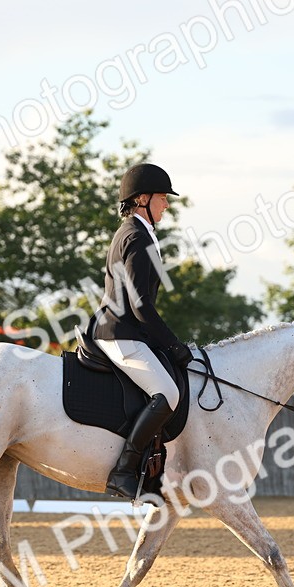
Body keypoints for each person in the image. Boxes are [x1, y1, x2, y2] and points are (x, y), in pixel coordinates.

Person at [90, 163, 193, 498]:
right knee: (169, 395)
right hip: (120, 333)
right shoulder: (135, 237)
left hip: (129, 331)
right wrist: (174, 345)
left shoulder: (140, 233)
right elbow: (141, 306)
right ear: (142, 199)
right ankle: (124, 469)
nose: (166, 204)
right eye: (162, 198)